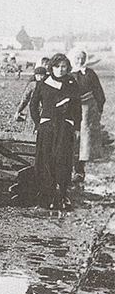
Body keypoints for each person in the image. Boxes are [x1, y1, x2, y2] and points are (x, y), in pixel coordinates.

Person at [29, 53, 81, 210]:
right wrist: (40, 122)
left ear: (68, 68)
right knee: (46, 161)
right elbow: (33, 105)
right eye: (57, 66)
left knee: (62, 160)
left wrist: (76, 127)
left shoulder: (72, 84)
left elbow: (77, 108)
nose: (60, 70)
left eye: (64, 66)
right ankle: (47, 195)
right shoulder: (44, 83)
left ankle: (62, 195)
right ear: (51, 67)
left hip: (64, 129)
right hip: (47, 129)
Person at [69, 50, 106, 182]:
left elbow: (98, 92)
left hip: (87, 110)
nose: (80, 61)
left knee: (83, 140)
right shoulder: (67, 73)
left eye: (82, 58)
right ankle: (67, 170)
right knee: (70, 138)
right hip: (71, 109)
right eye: (77, 58)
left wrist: (97, 110)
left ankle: (79, 171)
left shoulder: (90, 73)